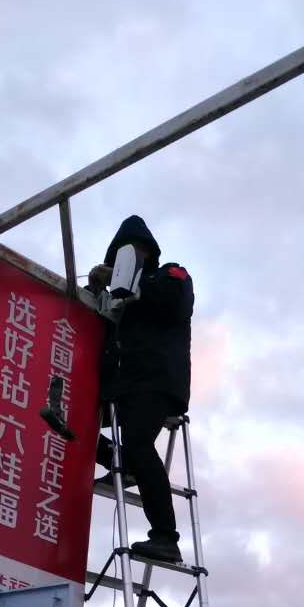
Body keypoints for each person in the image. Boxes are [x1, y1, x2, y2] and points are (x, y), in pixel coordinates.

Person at [90, 214, 194, 564]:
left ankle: (165, 537)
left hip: (156, 380)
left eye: (133, 249)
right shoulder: (119, 300)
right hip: (124, 386)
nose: (128, 255)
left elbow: (175, 302)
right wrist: (95, 292)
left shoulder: (170, 276)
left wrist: (127, 282)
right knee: (75, 427)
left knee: (138, 441)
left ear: (148, 252)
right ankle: (128, 464)